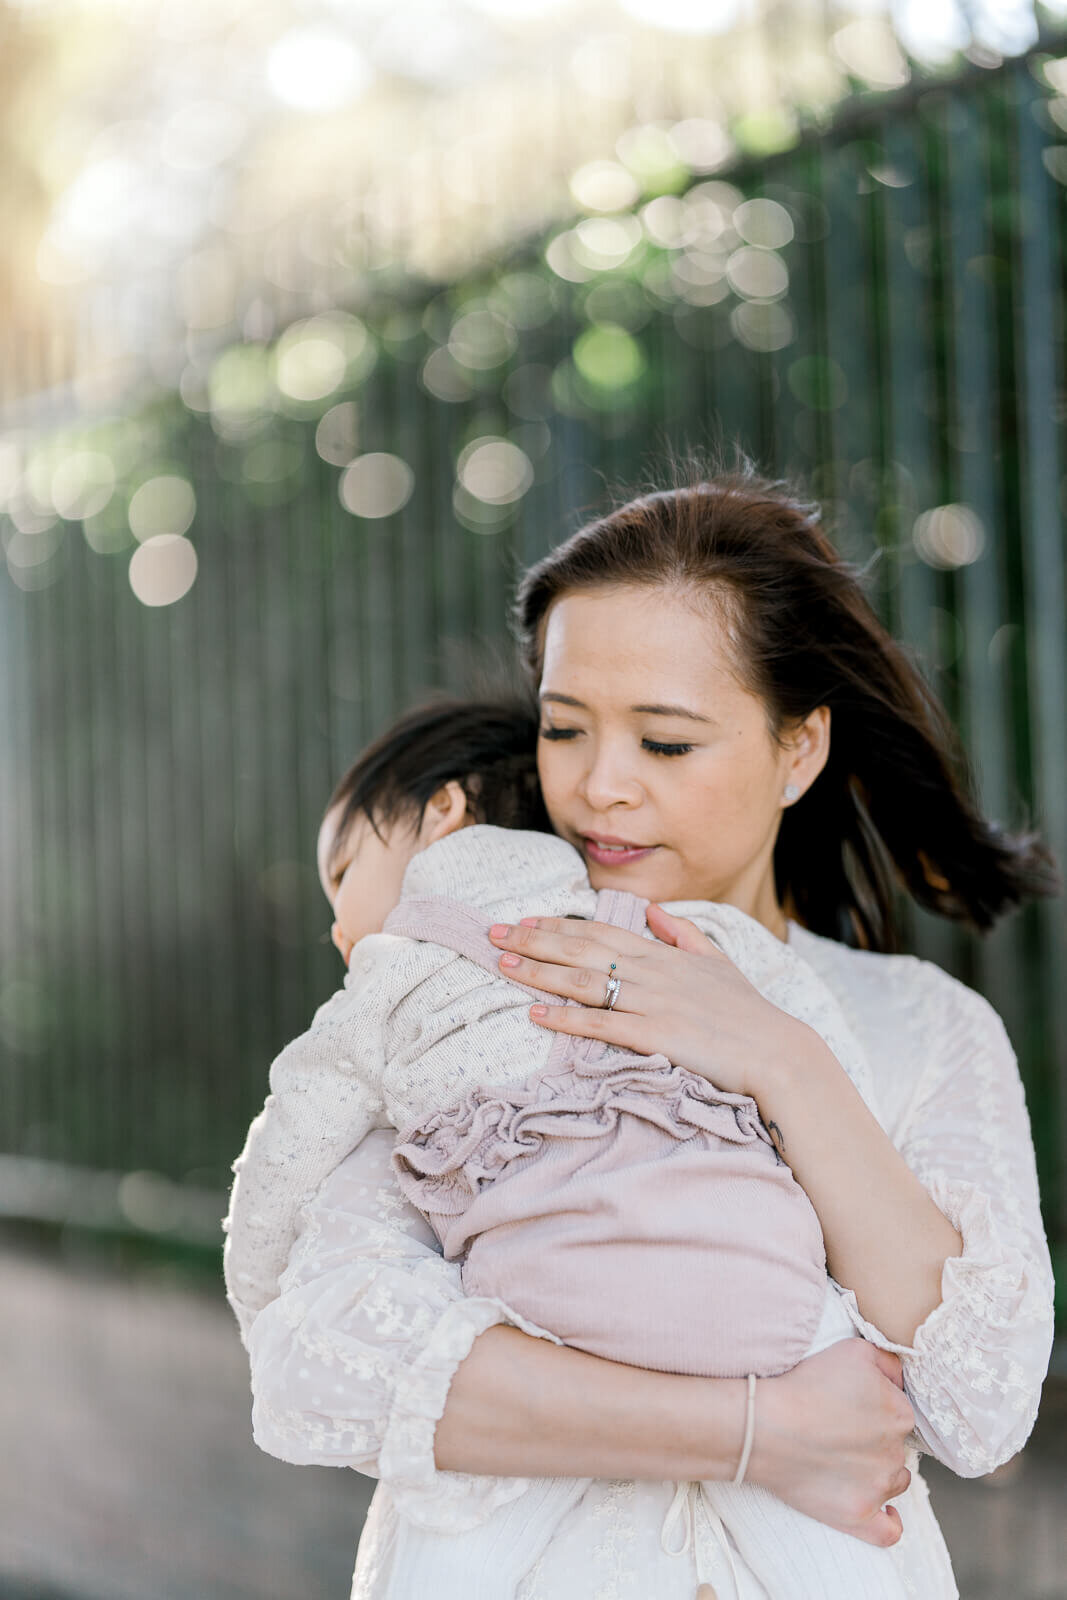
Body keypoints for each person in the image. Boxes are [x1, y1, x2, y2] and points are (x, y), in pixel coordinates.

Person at [240, 467, 1057, 1600]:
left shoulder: (917, 1024)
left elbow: (979, 1401)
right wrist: (753, 1430)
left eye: (664, 744)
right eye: (564, 729)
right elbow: (319, 1360)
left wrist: (778, 1057)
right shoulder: (482, 973)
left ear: (797, 748)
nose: (597, 787)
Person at [225, 695, 914, 1598]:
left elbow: (286, 1155)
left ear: (442, 816)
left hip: (552, 1308)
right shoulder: (681, 936)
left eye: (343, 873)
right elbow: (832, 1081)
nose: (337, 929)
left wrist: (259, 1291)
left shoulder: (389, 984)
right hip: (778, 1309)